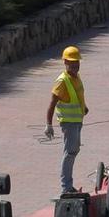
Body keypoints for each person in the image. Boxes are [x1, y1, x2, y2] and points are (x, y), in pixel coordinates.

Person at [45, 45, 88, 192]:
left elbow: (77, 95)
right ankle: (66, 187)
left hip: (77, 121)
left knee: (73, 151)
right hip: (68, 122)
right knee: (69, 152)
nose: (75, 65)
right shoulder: (62, 81)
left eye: (77, 62)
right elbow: (52, 104)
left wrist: (84, 107)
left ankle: (68, 185)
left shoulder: (76, 77)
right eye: (72, 62)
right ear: (65, 62)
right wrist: (48, 124)